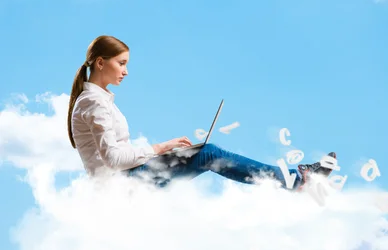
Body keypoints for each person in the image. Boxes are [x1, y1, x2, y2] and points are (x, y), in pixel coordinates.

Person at [67, 35, 336, 190]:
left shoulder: (99, 100)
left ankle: (296, 180)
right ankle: (298, 180)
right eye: (121, 63)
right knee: (208, 153)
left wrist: (168, 148)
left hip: (126, 179)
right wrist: (160, 148)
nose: (126, 71)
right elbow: (113, 159)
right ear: (101, 63)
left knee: (207, 153)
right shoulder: (93, 103)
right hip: (122, 185)